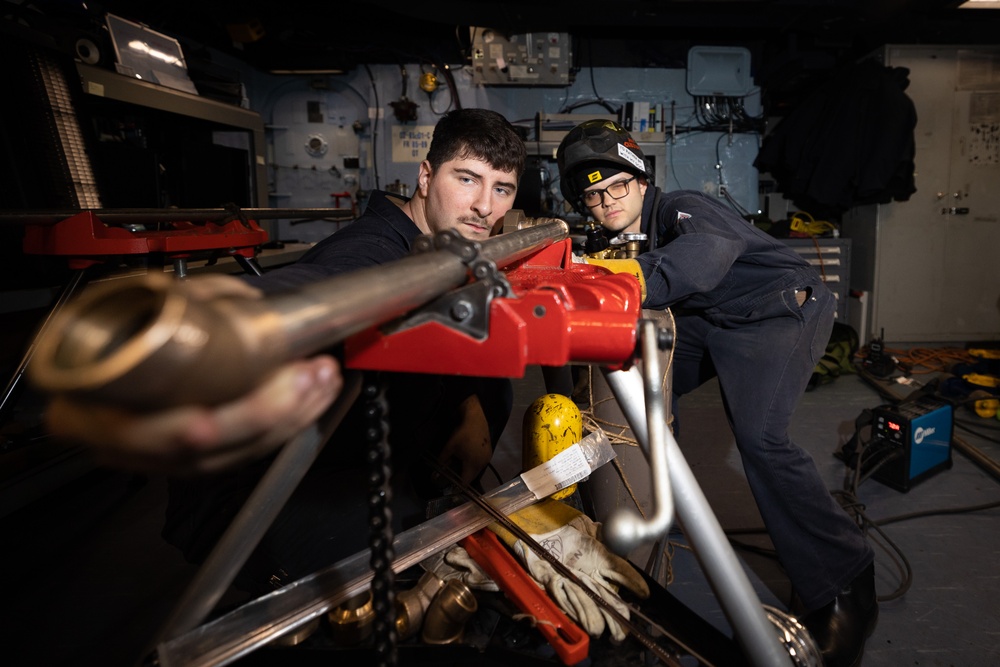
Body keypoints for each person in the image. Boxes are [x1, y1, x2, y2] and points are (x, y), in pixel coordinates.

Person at [44, 108, 527, 595]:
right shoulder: (371, 254)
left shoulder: (442, 248)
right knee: (411, 574)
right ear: (425, 177)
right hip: (255, 500)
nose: (484, 206)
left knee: (495, 388)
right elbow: (325, 287)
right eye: (467, 179)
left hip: (353, 455)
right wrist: (210, 331)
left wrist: (472, 409)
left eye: (501, 188)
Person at [556, 119, 877, 667]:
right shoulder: (620, 232)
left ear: (639, 182)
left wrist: (629, 275)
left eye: (616, 186)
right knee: (629, 387)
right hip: (716, 321)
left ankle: (845, 583)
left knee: (761, 439)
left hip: (778, 310)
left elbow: (708, 251)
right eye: (592, 195)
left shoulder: (680, 207)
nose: (606, 202)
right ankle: (648, 515)